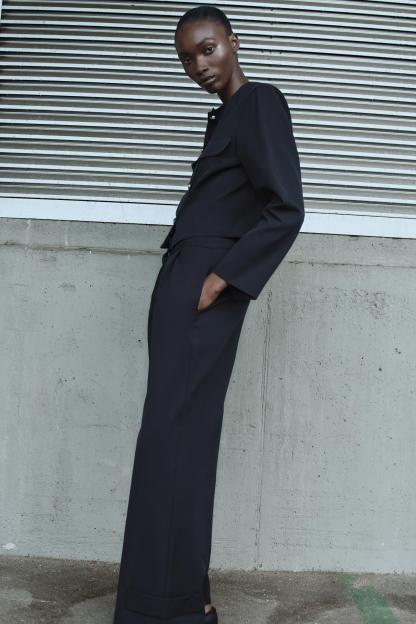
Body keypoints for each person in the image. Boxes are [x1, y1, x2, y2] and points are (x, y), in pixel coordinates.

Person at [112, 5, 304, 624]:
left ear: (233, 42)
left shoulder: (260, 103)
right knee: (172, 440)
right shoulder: (223, 117)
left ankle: (169, 606)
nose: (199, 64)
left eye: (208, 48)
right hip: (184, 281)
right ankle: (173, 599)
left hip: (204, 284)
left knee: (178, 442)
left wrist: (221, 279)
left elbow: (286, 207)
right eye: (187, 58)